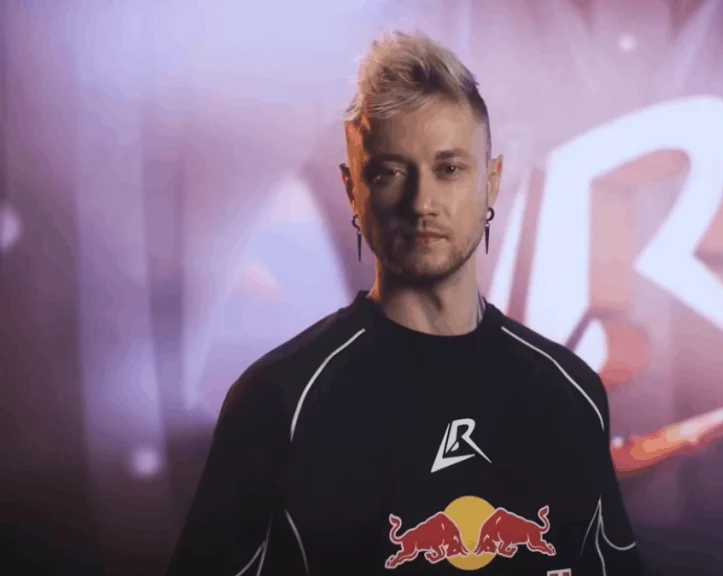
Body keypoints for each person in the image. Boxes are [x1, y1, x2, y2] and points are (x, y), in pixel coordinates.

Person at [165, 30, 644, 576]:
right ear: (352, 189)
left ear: (491, 182)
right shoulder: (280, 403)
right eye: (390, 172)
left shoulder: (571, 394)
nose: (422, 203)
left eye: (449, 169)